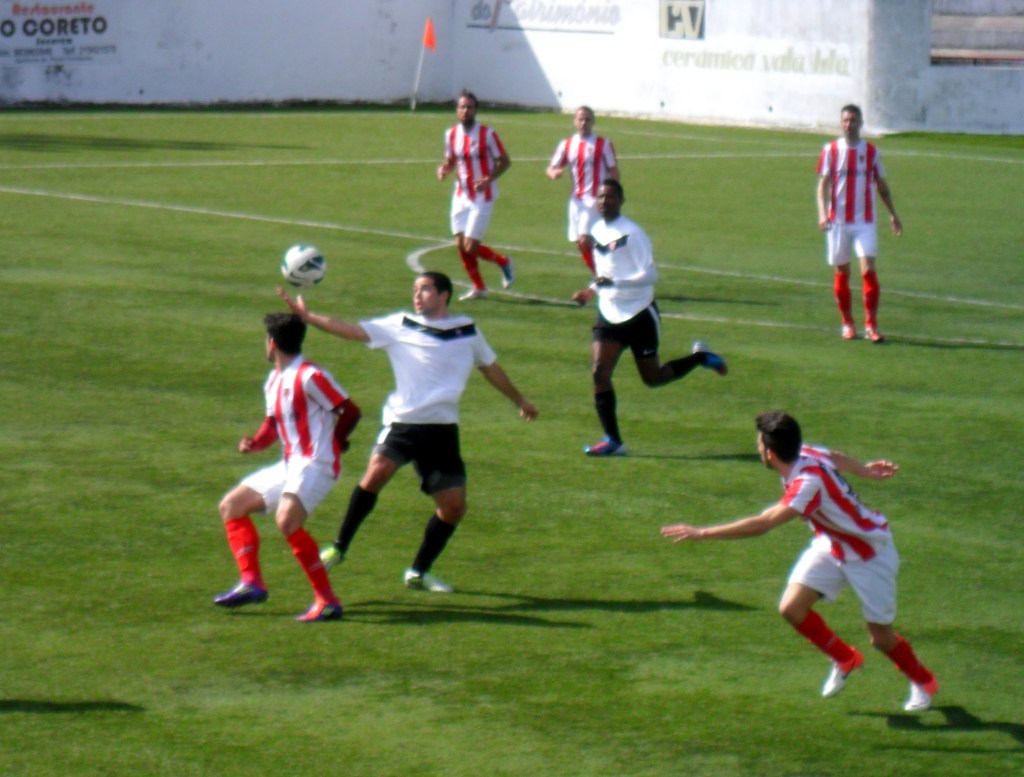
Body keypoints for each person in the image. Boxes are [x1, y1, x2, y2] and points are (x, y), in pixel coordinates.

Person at [277, 271, 537, 593]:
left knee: (454, 507)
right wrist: (309, 317)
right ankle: (339, 547)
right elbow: (353, 330)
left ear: (443, 295)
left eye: (425, 289)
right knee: (377, 470)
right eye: (415, 289)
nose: (417, 294)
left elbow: (490, 367)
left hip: (442, 430)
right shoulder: (401, 325)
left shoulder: (467, 330)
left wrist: (519, 399)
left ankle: (418, 572)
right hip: (403, 423)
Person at [661, 411, 939, 712]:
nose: (757, 448)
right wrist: (864, 471)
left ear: (770, 453)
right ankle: (845, 658)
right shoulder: (804, 451)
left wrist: (702, 533)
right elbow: (835, 456)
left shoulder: (807, 483)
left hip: (870, 555)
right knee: (791, 608)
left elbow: (763, 523)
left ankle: (924, 681)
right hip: (832, 544)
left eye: (759, 444)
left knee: (881, 639)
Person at [213, 312, 361, 622]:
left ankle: (327, 601)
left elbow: (350, 411)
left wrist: (336, 441)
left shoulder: (310, 376)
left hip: (317, 464)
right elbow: (272, 424)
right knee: (232, 505)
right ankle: (252, 583)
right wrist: (255, 443)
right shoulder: (274, 380)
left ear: (272, 343)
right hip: (290, 464)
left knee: (287, 520)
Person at [570, 179, 727, 457]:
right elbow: (604, 273)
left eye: (610, 196)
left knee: (653, 378)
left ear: (621, 200)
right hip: (609, 313)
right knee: (599, 372)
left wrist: (617, 283)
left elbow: (650, 275)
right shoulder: (596, 231)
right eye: (601, 197)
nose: (604, 201)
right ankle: (613, 440)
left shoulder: (633, 233)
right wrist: (590, 291)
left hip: (640, 313)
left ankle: (700, 357)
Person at [816, 104, 903, 343]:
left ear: (860, 123)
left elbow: (881, 186)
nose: (849, 125)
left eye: (853, 120)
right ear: (840, 123)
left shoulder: (871, 152)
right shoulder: (831, 150)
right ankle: (847, 323)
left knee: (868, 271)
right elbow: (823, 185)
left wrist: (893, 214)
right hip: (837, 222)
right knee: (842, 273)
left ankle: (871, 325)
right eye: (845, 120)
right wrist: (822, 214)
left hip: (865, 221)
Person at [438, 89, 515, 300]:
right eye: (462, 107)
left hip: (483, 196)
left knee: (470, 246)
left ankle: (503, 262)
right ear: (457, 110)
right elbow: (450, 160)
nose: (465, 111)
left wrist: (488, 179)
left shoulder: (487, 135)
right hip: (460, 195)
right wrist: (444, 169)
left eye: (470, 107)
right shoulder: (451, 135)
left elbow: (505, 161)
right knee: (459, 244)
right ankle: (479, 287)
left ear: (475, 110)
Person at [546, 105, 620, 275]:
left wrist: (613, 195)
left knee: (584, 240)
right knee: (581, 244)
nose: (583, 123)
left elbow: (613, 170)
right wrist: (553, 173)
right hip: (576, 201)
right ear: (575, 122)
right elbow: (551, 167)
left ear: (593, 122)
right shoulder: (567, 144)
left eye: (587, 119)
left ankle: (605, 278)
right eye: (580, 119)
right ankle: (606, 274)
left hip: (595, 200)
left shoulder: (603, 144)